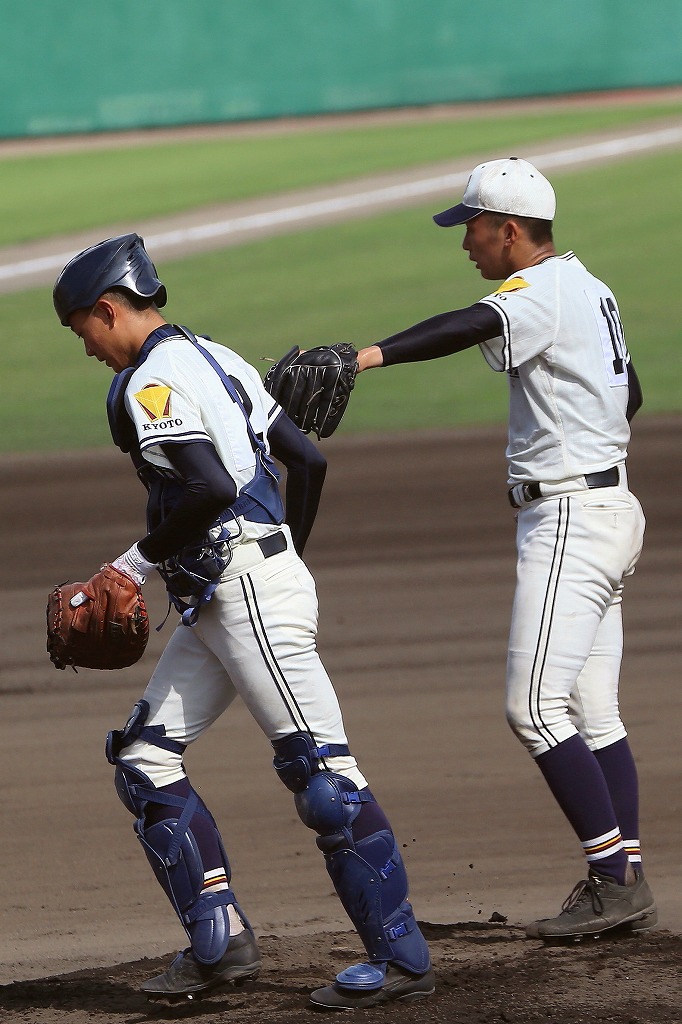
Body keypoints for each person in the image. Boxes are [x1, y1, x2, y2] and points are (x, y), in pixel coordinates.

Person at [52, 233, 434, 1009]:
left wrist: (127, 565)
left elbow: (206, 488)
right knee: (143, 759)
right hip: (230, 592)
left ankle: (401, 960)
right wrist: (289, 553)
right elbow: (309, 461)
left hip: (245, 591)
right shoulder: (218, 357)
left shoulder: (148, 384)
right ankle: (220, 943)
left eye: (81, 330)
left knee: (325, 780)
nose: (85, 348)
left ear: (107, 308)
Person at [354, 157, 657, 941]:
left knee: (532, 707)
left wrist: (365, 357)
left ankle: (610, 879)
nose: (465, 243)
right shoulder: (591, 287)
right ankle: (625, 872)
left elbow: (470, 324)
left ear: (510, 231)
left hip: (570, 523)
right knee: (592, 708)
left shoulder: (536, 292)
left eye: (472, 229)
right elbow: (633, 392)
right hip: (613, 506)